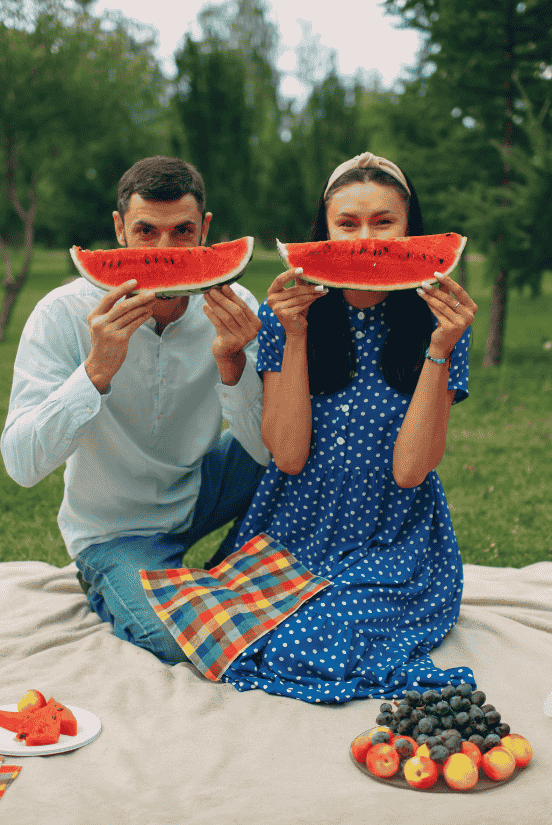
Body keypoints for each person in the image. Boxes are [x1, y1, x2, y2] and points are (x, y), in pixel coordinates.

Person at [217, 152, 479, 703]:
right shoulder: (286, 314)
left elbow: (411, 471)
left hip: (395, 538)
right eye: (347, 225)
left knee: (306, 640)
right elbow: (287, 455)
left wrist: (439, 350)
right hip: (294, 527)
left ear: (410, 230)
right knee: (231, 630)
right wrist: (292, 335)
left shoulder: (443, 323)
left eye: (384, 223)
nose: (366, 241)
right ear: (324, 230)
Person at [1, 155, 269, 664]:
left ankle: (257, 567)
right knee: (174, 640)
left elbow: (265, 449)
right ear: (119, 229)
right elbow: (21, 464)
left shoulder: (236, 309)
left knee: (304, 438)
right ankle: (139, 577)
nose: (164, 252)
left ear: (205, 230)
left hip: (201, 486)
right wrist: (95, 370)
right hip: (115, 527)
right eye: (147, 231)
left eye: (182, 232)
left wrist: (233, 364)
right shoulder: (61, 314)